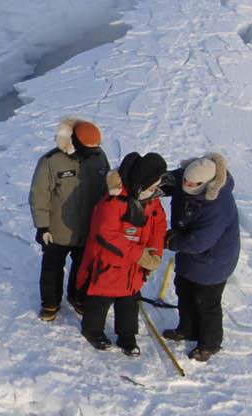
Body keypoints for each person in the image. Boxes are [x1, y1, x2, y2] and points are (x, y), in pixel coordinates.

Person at [75, 152, 168, 355]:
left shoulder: (151, 201)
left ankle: (127, 336)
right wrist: (139, 255)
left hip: (132, 269)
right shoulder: (113, 203)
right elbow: (107, 234)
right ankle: (92, 331)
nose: (156, 191)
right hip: (108, 266)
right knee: (99, 303)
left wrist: (154, 252)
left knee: (129, 304)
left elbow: (159, 226)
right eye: (152, 187)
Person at [28, 116, 110, 321]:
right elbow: (39, 195)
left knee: (83, 267)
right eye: (88, 149)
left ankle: (77, 297)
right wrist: (42, 227)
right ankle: (50, 303)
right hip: (57, 230)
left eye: (95, 149)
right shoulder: (51, 161)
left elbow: (106, 188)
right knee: (52, 268)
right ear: (75, 141)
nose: (93, 153)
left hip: (87, 228)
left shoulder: (99, 157)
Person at [161, 153, 239, 362]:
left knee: (207, 304)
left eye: (192, 183)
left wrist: (170, 242)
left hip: (213, 263)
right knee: (184, 291)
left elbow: (198, 242)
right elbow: (171, 180)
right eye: (185, 180)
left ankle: (210, 344)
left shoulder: (218, 205)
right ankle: (187, 329)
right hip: (191, 258)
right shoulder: (191, 177)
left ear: (207, 183)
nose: (186, 184)